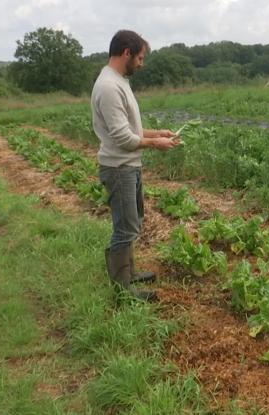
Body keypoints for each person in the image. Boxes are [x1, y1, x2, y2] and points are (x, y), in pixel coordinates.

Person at [91, 30, 178, 301]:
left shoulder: (119, 81)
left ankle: (128, 273)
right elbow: (121, 138)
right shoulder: (108, 87)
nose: (142, 63)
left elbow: (131, 129)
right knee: (125, 227)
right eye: (140, 57)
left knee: (133, 222)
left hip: (128, 165)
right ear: (126, 53)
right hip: (119, 168)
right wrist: (155, 145)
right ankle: (123, 289)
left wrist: (157, 133)